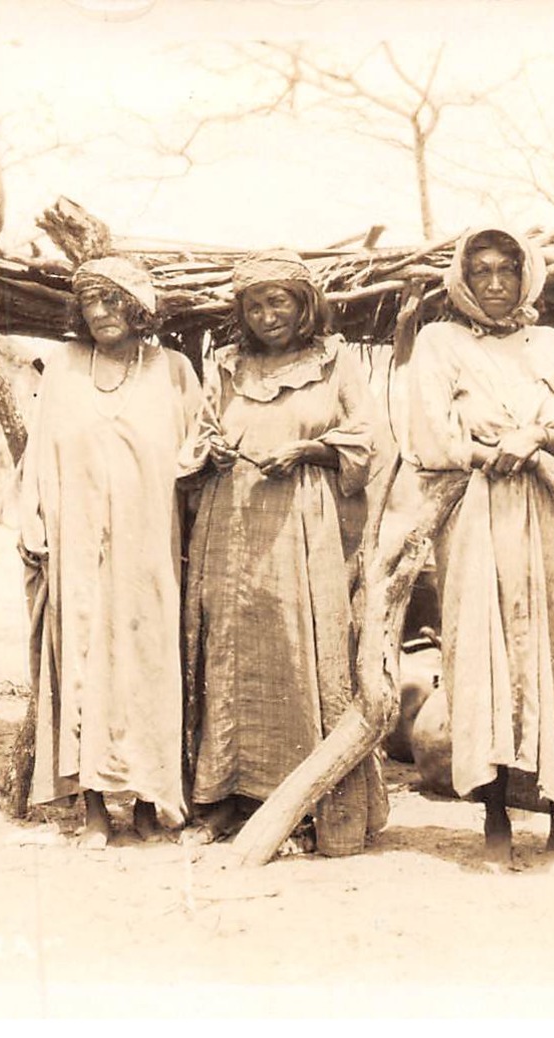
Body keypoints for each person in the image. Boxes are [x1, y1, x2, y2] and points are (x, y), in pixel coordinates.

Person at [401, 224, 554, 866]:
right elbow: (436, 440)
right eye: (482, 271)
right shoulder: (438, 343)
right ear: (462, 280)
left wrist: (542, 442)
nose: (495, 284)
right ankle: (494, 821)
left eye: (507, 271)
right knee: (487, 660)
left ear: (527, 278)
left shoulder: (549, 346)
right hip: (481, 522)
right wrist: (522, 452)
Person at [183, 250, 386, 856]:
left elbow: (367, 439)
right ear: (240, 312)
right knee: (228, 649)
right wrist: (211, 453)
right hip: (229, 524)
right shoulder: (225, 365)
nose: (267, 314)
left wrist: (309, 450)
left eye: (279, 301)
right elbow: (198, 434)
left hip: (303, 525)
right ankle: (225, 798)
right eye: (254, 304)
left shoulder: (335, 361)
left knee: (298, 650)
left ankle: (300, 802)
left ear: (303, 306)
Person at [14, 256, 208, 848]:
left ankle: (150, 801)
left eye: (114, 299)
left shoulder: (172, 370)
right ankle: (95, 806)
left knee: (149, 662)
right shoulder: (65, 369)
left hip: (149, 546)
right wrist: (34, 521)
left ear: (140, 306)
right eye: (91, 301)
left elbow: (199, 445)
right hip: (79, 547)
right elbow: (39, 455)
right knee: (84, 662)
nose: (102, 312)